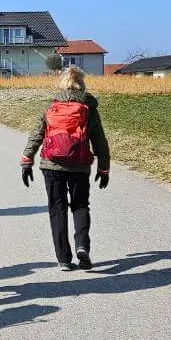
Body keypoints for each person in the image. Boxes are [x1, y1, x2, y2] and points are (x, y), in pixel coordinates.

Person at [20, 65, 111, 271]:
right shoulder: (89, 109)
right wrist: (103, 169)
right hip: (79, 165)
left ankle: (63, 258)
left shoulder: (50, 107)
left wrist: (27, 160)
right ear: (82, 84)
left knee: (57, 209)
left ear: (62, 84)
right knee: (80, 206)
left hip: (52, 165)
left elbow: (36, 136)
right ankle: (82, 247)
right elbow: (100, 142)